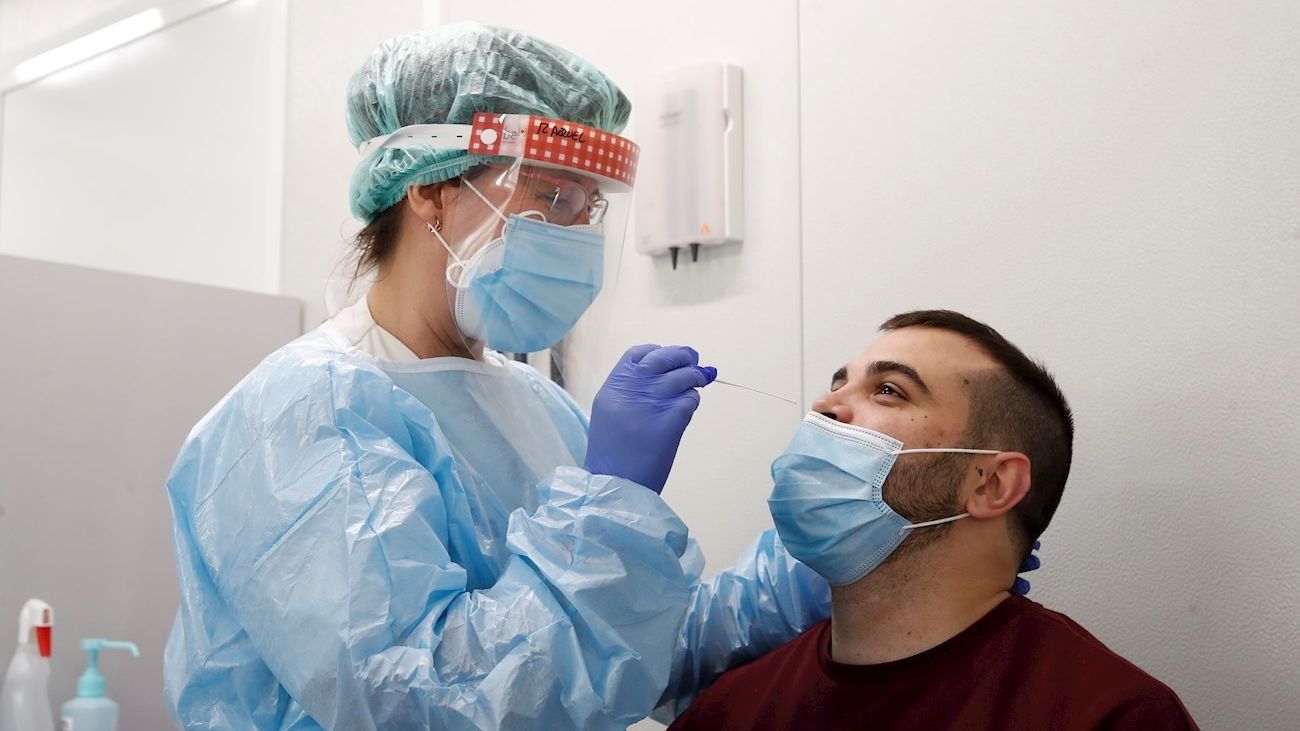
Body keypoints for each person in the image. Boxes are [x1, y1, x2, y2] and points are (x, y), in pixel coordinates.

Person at [163, 23, 832, 730]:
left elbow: (631, 648)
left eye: (589, 207)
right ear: (430, 188)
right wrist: (608, 503)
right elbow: (423, 701)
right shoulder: (299, 416)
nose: (575, 233)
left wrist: (813, 567)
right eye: (551, 195)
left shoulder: (538, 406)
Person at [668, 310, 1199, 730]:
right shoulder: (728, 710)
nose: (824, 406)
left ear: (990, 484)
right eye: (838, 384)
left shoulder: (1109, 717)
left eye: (889, 390)